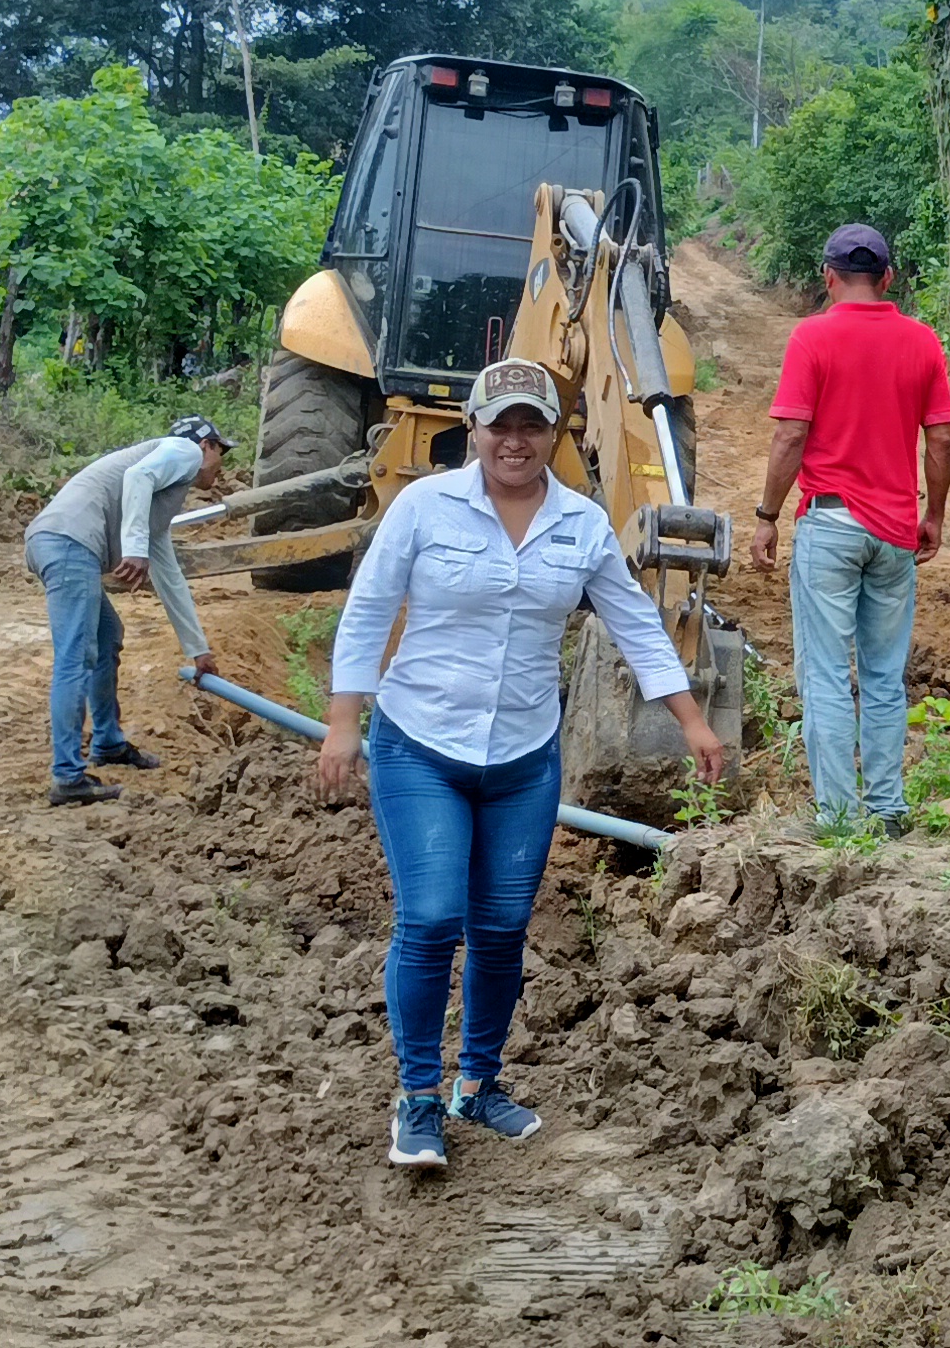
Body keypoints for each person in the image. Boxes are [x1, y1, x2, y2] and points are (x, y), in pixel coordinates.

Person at [312, 360, 731, 1170]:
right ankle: (419, 1096)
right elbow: (368, 611)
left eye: (530, 425)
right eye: (499, 424)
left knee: (503, 927)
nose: (514, 440)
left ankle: (479, 1083)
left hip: (522, 758)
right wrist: (341, 722)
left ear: (554, 433)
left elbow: (635, 622)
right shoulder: (424, 507)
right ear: (472, 429)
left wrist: (691, 720)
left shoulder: (581, 524)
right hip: (421, 743)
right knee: (432, 917)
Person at [753, 223, 950, 835]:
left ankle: (839, 818)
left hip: (832, 523)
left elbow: (791, 434)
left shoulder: (812, 336)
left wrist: (767, 516)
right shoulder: (922, 341)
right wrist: (934, 515)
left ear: (828, 277)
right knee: (884, 677)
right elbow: (941, 439)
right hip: (895, 531)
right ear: (888, 277)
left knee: (824, 676)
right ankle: (888, 809)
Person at [19, 417, 229, 806]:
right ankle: (67, 777)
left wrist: (198, 649)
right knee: (75, 657)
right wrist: (133, 548)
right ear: (206, 446)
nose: (222, 465)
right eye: (222, 451)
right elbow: (138, 476)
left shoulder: (159, 503)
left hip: (60, 542)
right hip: (68, 542)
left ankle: (108, 742)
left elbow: (170, 579)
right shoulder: (183, 450)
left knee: (107, 635)